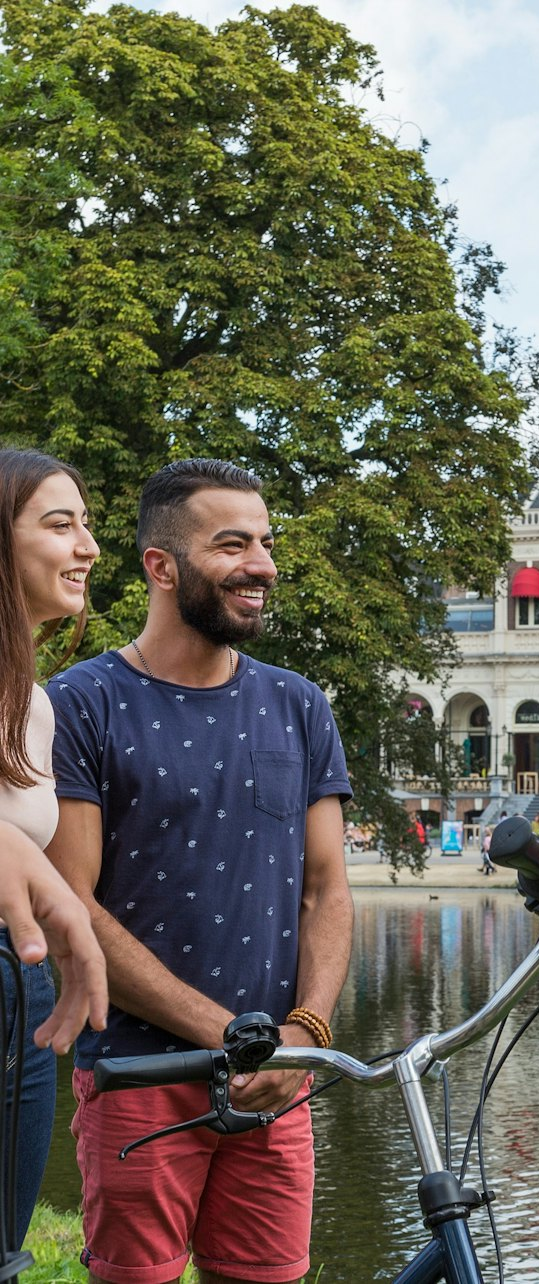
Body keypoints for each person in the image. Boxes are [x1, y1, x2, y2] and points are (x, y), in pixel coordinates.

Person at [47, 459, 354, 1284]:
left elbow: (327, 888)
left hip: (274, 1085)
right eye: (233, 544)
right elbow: (71, 908)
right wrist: (231, 1038)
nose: (263, 564)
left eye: (265, 541)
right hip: (139, 1077)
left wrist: (302, 1040)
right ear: (161, 566)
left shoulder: (300, 705)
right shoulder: (80, 704)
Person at [0, 449, 109, 1247]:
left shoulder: (36, 705)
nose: (89, 547)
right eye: (60, 524)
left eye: (89, 526)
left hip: (24, 997)